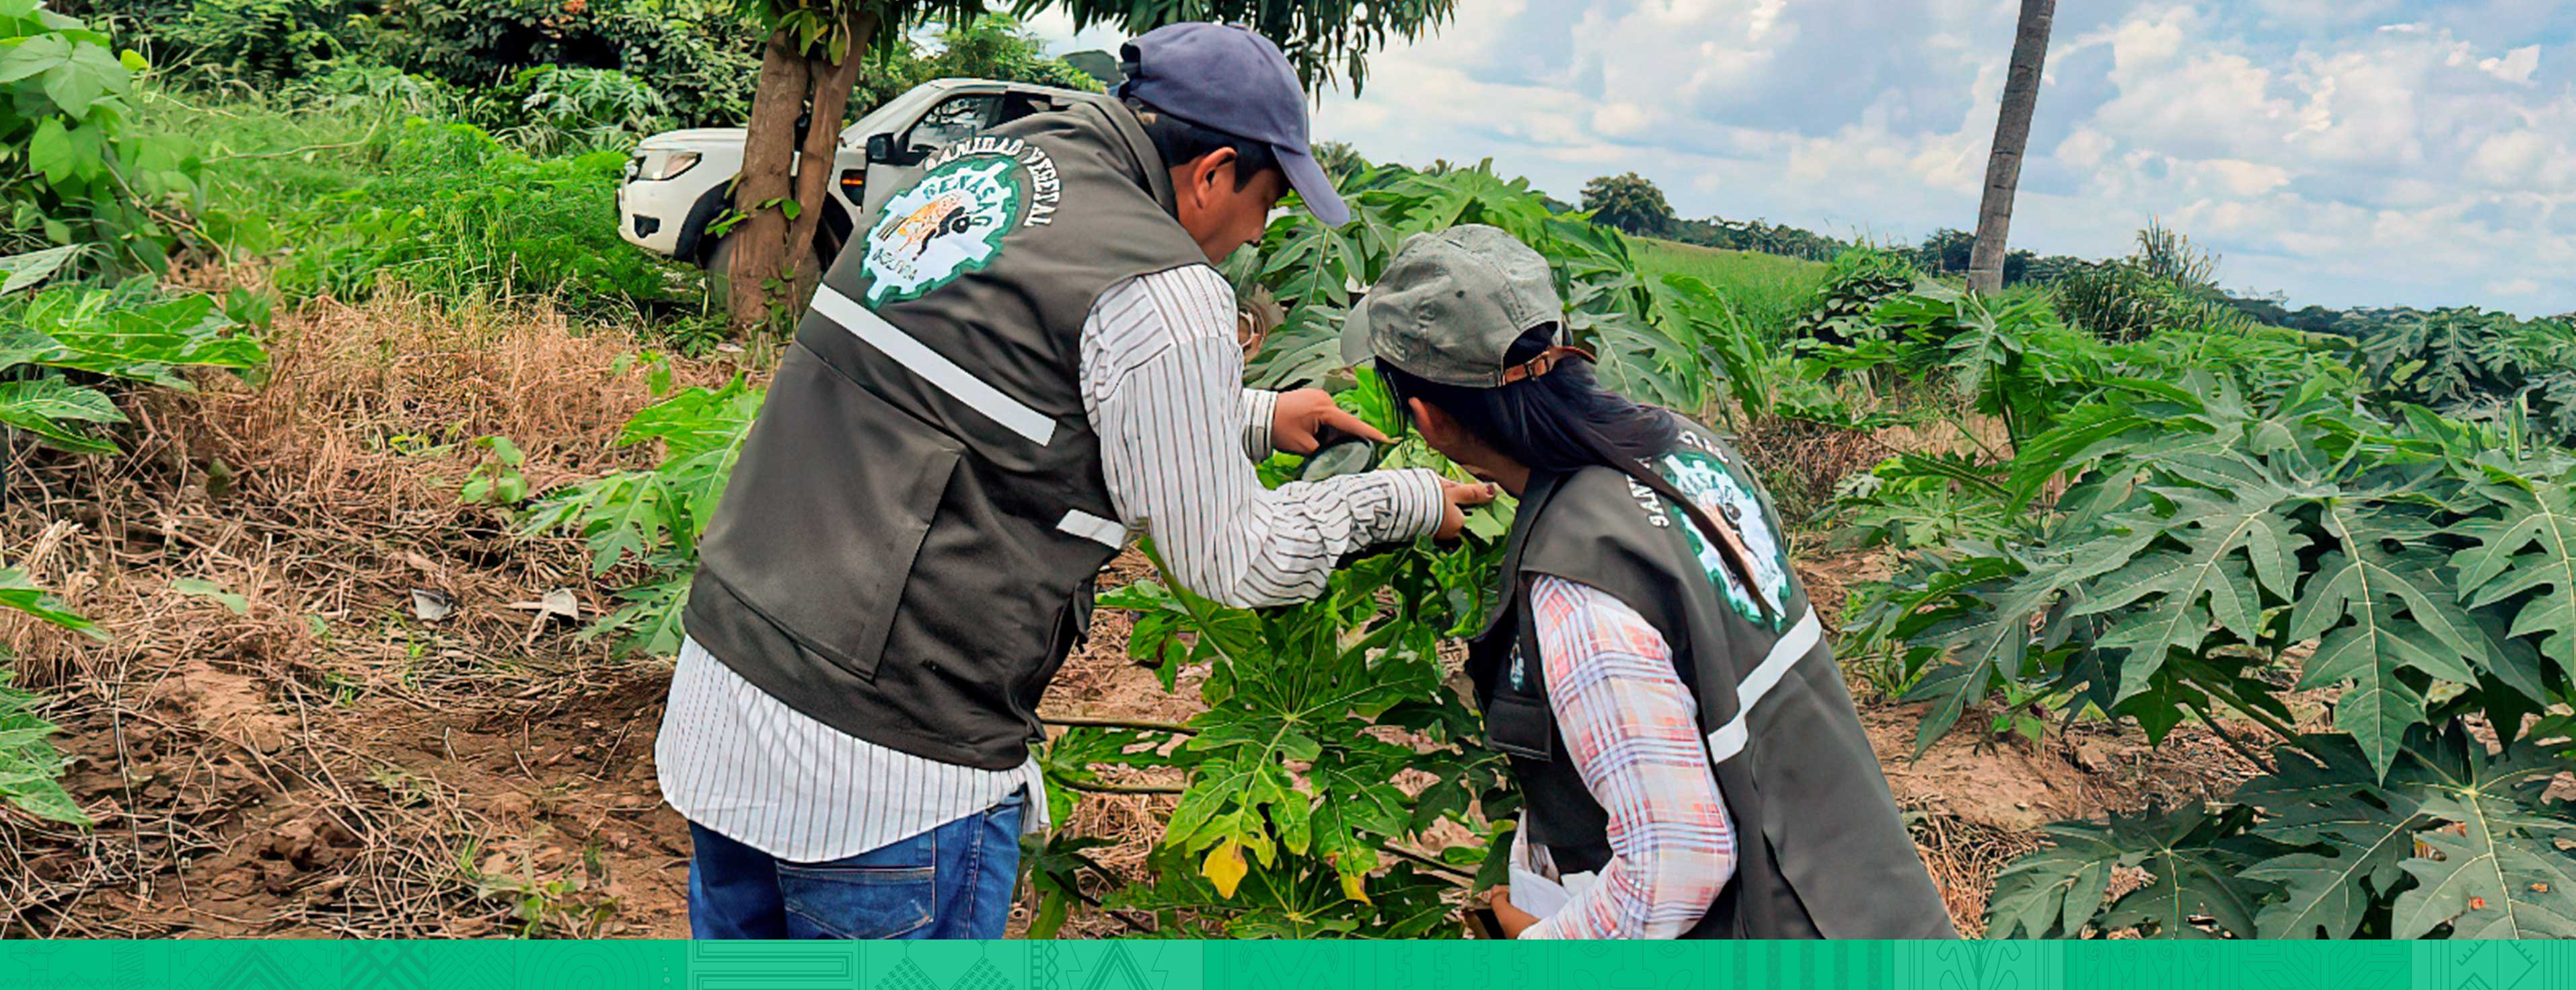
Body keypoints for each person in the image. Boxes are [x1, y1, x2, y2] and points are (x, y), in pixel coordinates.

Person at [655, 23, 1492, 940]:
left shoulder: (990, 160)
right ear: (1212, 172)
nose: (1260, 231)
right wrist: (1399, 499)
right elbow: (1235, 559)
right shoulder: (1164, 287)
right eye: (1270, 200)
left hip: (727, 690)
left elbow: (979, 392)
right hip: (887, 771)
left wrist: (1252, 415)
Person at [1343, 225, 1956, 939]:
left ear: (1428, 419)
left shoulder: (1582, 587)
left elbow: (1677, 865)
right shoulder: (1686, 448)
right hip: (1865, 896)